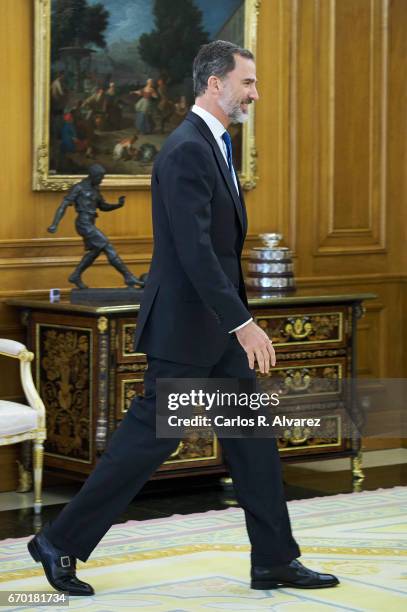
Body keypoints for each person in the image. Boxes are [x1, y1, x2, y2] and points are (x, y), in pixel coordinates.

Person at [28, 41, 339, 595]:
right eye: (248, 83)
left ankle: (274, 558)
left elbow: (215, 250)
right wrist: (242, 322)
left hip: (213, 331)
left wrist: (234, 324)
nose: (256, 93)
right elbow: (195, 253)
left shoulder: (213, 146)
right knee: (146, 443)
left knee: (252, 439)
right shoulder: (186, 150)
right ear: (214, 83)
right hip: (188, 330)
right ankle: (59, 541)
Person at [47, 164, 143, 289]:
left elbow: (103, 206)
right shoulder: (79, 188)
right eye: (100, 177)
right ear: (93, 176)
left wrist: (118, 205)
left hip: (90, 223)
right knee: (107, 246)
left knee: (94, 251)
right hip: (83, 223)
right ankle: (128, 277)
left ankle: (75, 275)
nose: (101, 180)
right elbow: (63, 205)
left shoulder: (95, 189)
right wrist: (54, 224)